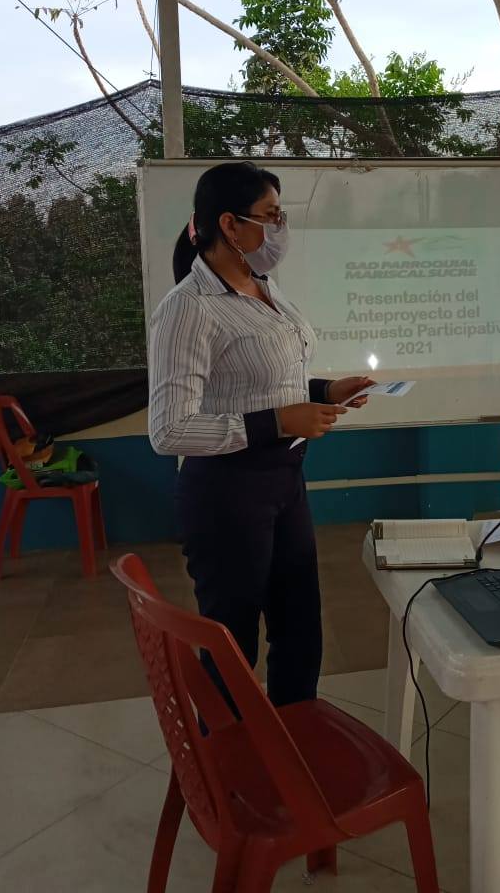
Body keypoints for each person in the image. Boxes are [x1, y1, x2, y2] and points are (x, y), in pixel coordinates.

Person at [148, 161, 375, 709]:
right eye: (271, 216)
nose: (280, 228)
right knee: (232, 642)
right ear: (230, 224)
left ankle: (294, 738)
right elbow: (169, 430)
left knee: (300, 628)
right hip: (227, 493)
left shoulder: (263, 286)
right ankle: (229, 754)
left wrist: (325, 390)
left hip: (284, 482)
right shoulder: (187, 310)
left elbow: (264, 382)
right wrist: (277, 422)